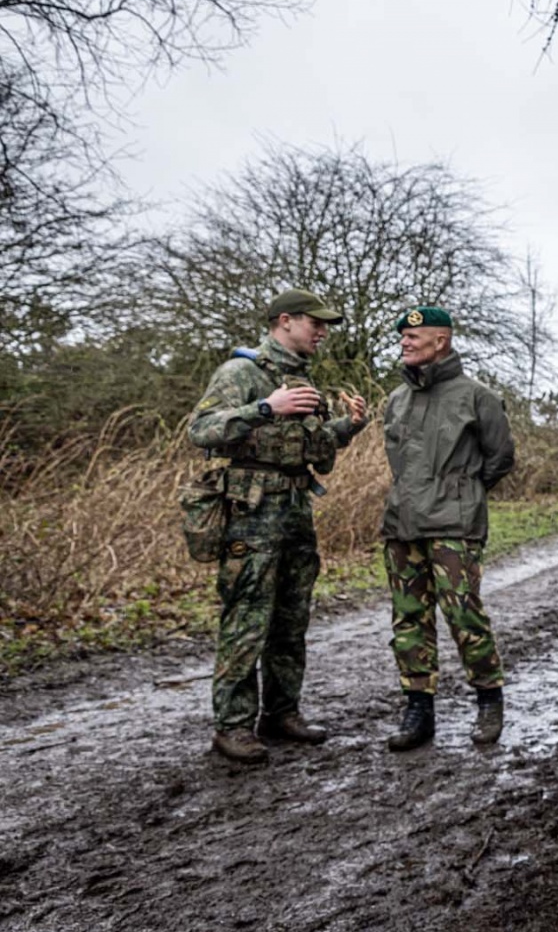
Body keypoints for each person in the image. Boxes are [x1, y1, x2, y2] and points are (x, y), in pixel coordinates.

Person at [188, 288, 369, 765]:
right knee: (248, 619)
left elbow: (304, 446)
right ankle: (232, 727)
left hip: (294, 513)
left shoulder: (301, 380)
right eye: (316, 323)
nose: (323, 332)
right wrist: (265, 407)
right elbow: (201, 430)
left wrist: (348, 427)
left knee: (291, 621)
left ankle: (282, 714)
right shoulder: (241, 372)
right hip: (251, 517)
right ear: (284, 321)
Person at [380, 306, 516, 751]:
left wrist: (463, 495)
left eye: (414, 336)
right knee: (408, 620)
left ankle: (488, 701)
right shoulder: (396, 399)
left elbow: (499, 459)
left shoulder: (477, 396)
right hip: (403, 522)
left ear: (441, 341)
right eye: (402, 336)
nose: (405, 342)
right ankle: (418, 710)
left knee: (463, 614)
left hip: (454, 525)